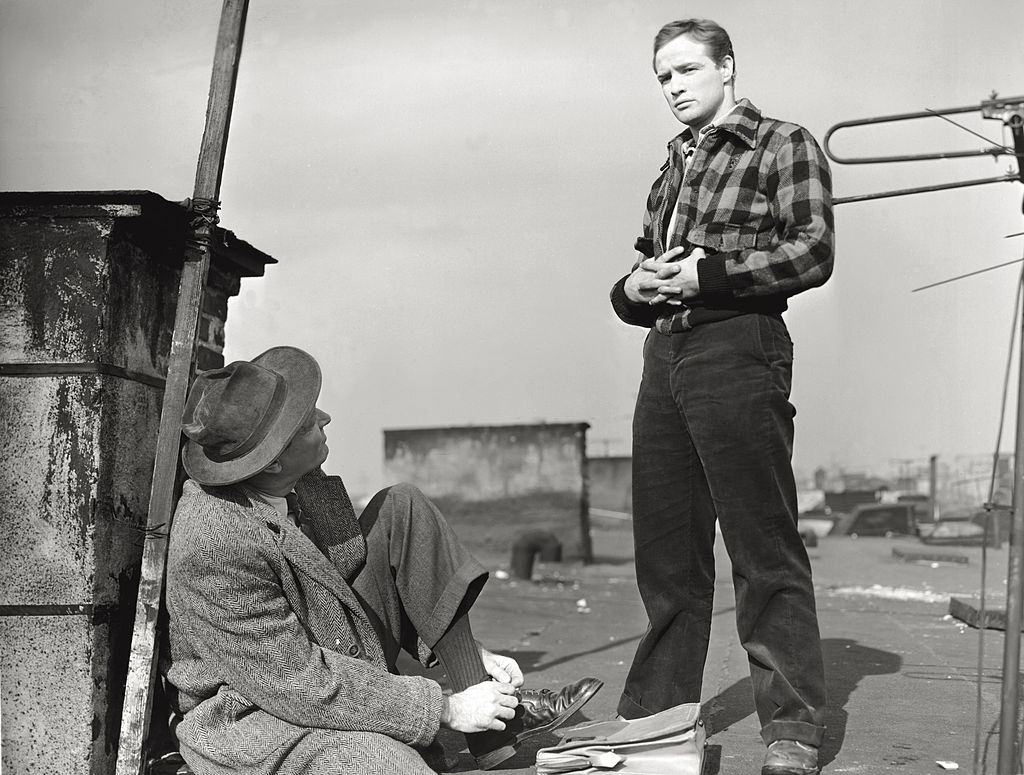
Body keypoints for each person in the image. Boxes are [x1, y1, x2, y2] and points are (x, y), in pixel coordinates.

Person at [163, 346, 602, 775]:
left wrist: (467, 654)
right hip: (262, 711)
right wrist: (446, 709)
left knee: (401, 505)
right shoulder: (213, 541)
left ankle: (490, 722)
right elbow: (297, 682)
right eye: (306, 423)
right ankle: (473, 716)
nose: (324, 418)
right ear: (273, 462)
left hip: (321, 645)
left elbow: (350, 567)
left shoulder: (292, 478)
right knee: (388, 765)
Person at [608, 18, 834, 775]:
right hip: (664, 353)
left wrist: (711, 276)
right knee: (667, 554)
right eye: (662, 77)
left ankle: (793, 727)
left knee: (761, 545)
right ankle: (656, 720)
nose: (673, 87)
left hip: (740, 345)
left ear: (727, 67)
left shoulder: (782, 143)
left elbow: (812, 249)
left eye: (685, 70)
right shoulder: (672, 164)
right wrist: (631, 288)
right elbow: (645, 267)